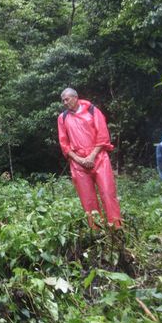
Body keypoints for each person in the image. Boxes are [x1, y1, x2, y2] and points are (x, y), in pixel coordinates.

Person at [57, 88, 122, 229]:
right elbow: (64, 144)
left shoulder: (92, 111)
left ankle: (117, 228)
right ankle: (96, 231)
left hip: (98, 157)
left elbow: (103, 136)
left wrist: (92, 156)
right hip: (77, 162)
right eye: (63, 100)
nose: (65, 103)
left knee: (107, 193)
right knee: (88, 199)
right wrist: (78, 159)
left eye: (67, 99)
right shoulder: (62, 118)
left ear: (76, 97)